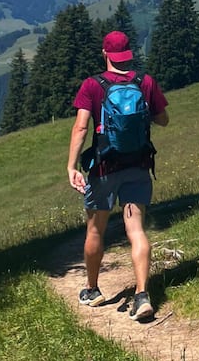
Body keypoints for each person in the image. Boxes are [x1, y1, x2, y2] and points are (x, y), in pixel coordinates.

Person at [67, 30, 169, 320]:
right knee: (136, 230)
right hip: (138, 165)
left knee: (96, 229)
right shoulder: (145, 82)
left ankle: (93, 289)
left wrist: (72, 166)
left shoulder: (92, 86)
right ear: (129, 54)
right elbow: (163, 119)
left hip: (103, 168)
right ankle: (142, 294)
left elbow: (81, 128)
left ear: (105, 54)